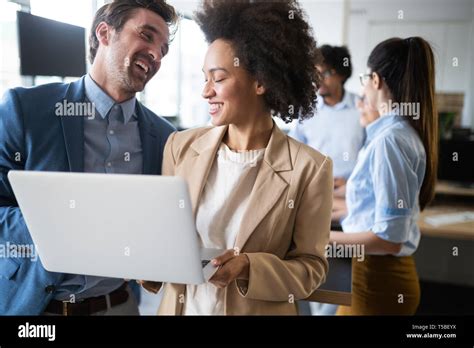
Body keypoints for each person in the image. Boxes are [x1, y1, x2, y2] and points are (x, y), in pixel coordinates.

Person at [141, 0, 333, 315]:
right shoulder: (180, 148)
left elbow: (311, 269)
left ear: (261, 82)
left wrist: (248, 267)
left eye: (217, 79)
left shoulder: (309, 168)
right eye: (204, 78)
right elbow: (165, 239)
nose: (205, 91)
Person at [0, 0, 177, 315]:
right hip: (36, 308)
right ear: (105, 33)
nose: (155, 54)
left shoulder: (164, 136)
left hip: (119, 305)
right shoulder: (26, 110)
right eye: (147, 36)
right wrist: (55, 222)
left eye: (163, 49)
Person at [332, 37, 438, 315]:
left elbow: (389, 239)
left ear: (376, 80)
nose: (363, 91)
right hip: (372, 275)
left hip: (379, 280)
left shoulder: (390, 140)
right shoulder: (393, 134)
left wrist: (318, 240)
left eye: (365, 79)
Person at [289, 45, 365, 193]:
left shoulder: (362, 108)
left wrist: (352, 181)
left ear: (342, 75)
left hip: (350, 189)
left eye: (326, 73)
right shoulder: (307, 110)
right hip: (312, 188)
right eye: (316, 74)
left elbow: (372, 154)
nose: (319, 80)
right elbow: (294, 149)